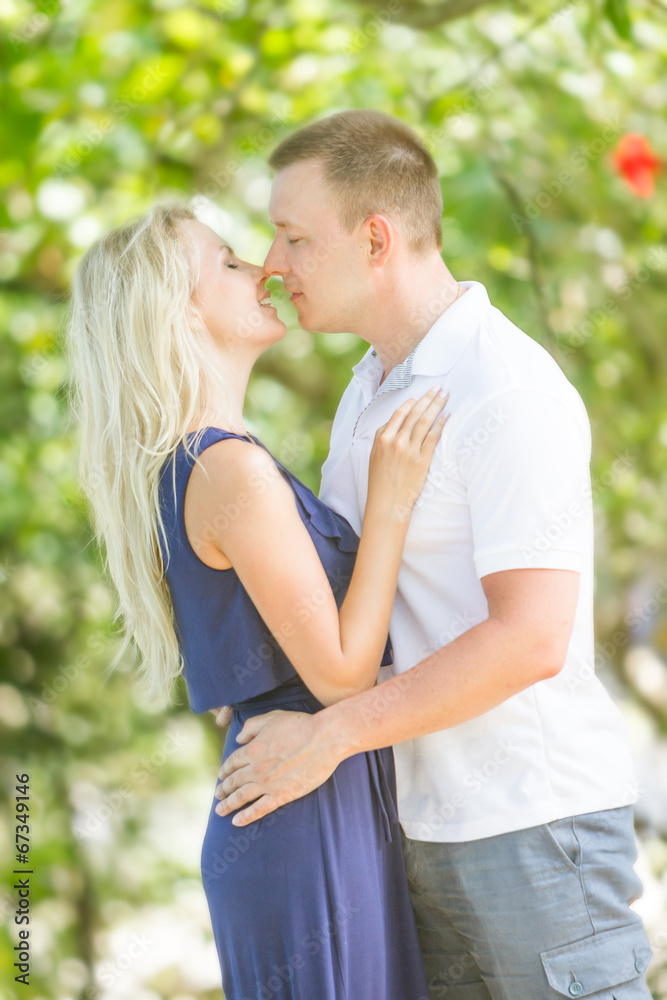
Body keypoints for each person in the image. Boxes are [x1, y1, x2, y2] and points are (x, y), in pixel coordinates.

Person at [213, 110, 654, 998]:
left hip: (533, 835)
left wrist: (327, 738)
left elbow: (530, 639)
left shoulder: (504, 389)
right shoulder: (369, 389)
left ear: (375, 239)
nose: (270, 263)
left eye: (294, 237)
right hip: (414, 833)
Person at [65, 200, 448, 999]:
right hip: (302, 824)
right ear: (180, 310)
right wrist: (389, 502)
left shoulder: (205, 465)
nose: (265, 268)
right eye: (231, 264)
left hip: (316, 801)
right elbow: (341, 674)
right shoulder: (226, 470)